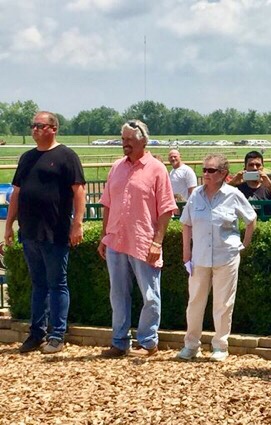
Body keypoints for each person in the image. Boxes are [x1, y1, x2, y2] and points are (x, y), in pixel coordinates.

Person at [4, 111, 86, 354]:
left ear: (53, 129)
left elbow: (79, 191)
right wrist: (9, 225)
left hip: (55, 232)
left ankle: (57, 334)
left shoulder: (66, 156)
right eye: (33, 126)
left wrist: (77, 223)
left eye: (40, 126)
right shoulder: (27, 158)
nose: (35, 130)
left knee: (57, 284)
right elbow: (16, 193)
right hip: (29, 232)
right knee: (38, 284)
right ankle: (36, 333)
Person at [97, 120, 177, 358]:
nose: (125, 144)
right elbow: (107, 204)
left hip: (143, 241)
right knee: (118, 294)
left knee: (150, 295)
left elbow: (166, 209)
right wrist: (104, 236)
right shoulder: (116, 167)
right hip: (116, 240)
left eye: (130, 140)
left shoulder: (157, 169)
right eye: (123, 140)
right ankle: (119, 342)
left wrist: (157, 242)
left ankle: (148, 341)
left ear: (143, 140)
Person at [176, 153, 257, 362]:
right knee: (194, 303)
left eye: (211, 170)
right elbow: (186, 224)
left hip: (226, 257)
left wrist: (242, 246)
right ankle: (191, 345)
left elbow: (251, 219)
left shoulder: (233, 194)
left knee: (223, 304)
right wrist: (186, 253)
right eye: (204, 170)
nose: (206, 174)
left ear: (223, 174)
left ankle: (220, 346)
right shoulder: (195, 196)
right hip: (199, 258)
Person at [228, 150, 271, 217]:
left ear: (262, 167)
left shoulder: (270, 184)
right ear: (245, 168)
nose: (254, 168)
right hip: (244, 225)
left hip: (266, 224)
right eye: (251, 165)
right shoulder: (237, 185)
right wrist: (232, 183)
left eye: (258, 165)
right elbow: (218, 199)